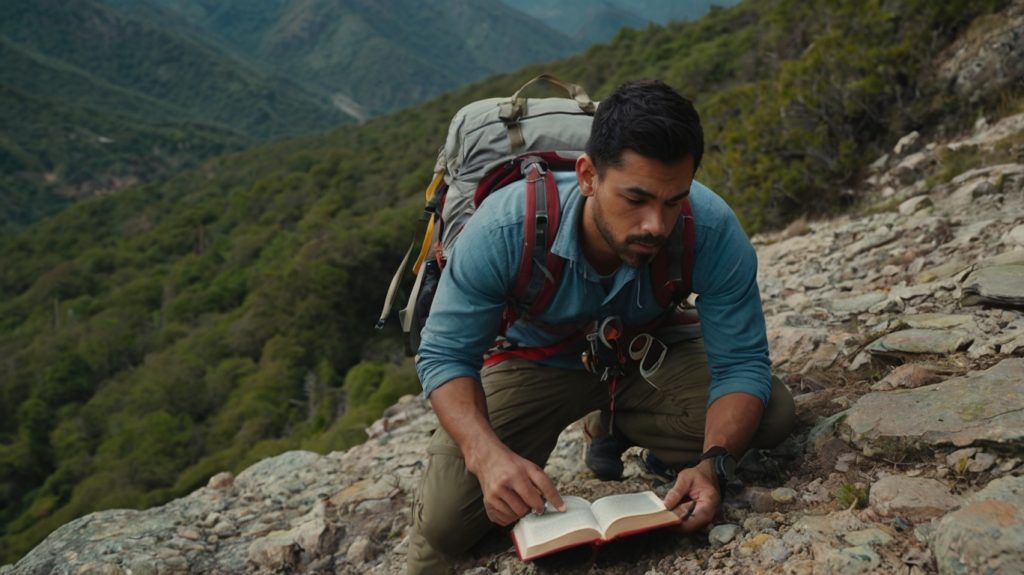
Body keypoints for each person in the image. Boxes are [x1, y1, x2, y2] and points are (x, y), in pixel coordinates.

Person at [406, 79, 795, 574]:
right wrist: (486, 457)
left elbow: (741, 363)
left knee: (773, 415)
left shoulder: (712, 228)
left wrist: (713, 464)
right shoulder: (505, 229)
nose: (656, 223)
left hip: (642, 351)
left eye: (674, 200)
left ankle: (619, 423)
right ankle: (606, 420)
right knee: (445, 523)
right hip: (533, 360)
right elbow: (443, 355)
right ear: (588, 176)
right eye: (636, 198)